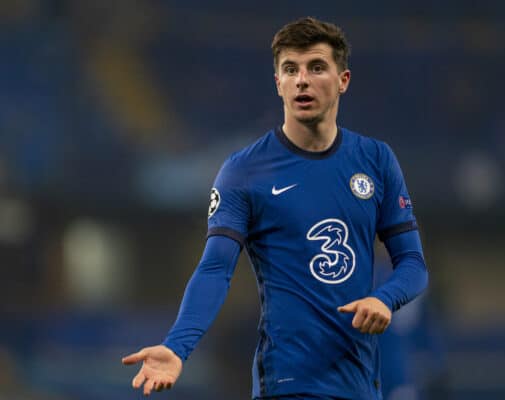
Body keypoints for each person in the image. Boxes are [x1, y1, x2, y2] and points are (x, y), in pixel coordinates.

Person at [122, 16, 429, 399]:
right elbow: (216, 268)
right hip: (287, 384)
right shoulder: (244, 171)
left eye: (316, 67)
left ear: (343, 81)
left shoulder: (376, 160)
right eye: (290, 69)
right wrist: (177, 345)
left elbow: (413, 265)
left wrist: (385, 299)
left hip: (361, 387)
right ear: (278, 83)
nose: (302, 79)